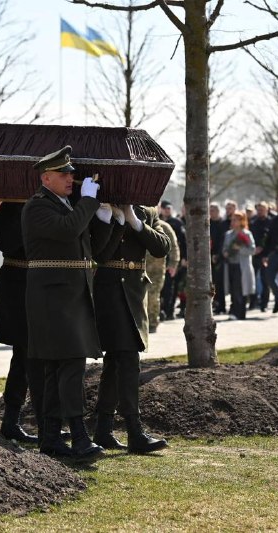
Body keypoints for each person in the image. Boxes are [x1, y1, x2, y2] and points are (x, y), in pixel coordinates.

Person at [22, 145, 104, 458]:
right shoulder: (38, 206)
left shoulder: (64, 204)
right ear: (46, 178)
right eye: (63, 174)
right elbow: (68, 231)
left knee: (59, 367)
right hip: (53, 298)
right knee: (70, 363)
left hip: (67, 295)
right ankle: (79, 436)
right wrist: (89, 202)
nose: (71, 178)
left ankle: (52, 437)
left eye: (71, 173)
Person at [91, 203, 170, 454]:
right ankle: (134, 432)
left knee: (116, 361)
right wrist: (115, 218)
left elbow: (162, 247)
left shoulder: (146, 212)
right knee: (127, 359)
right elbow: (100, 253)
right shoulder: (101, 206)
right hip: (110, 290)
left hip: (135, 292)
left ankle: (103, 430)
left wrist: (136, 222)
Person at [0, 201, 43, 443]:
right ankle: (19, 421)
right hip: (17, 286)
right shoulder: (11, 207)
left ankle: (16, 421)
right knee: (26, 357)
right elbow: (8, 242)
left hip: (39, 282)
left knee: (28, 359)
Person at [146, 215, 179, 333]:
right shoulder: (139, 223)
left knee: (153, 295)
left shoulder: (163, 226)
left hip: (157, 270)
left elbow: (174, 246)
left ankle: (152, 322)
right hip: (139, 268)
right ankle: (142, 321)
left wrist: (173, 263)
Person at [222, 211, 255, 320]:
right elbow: (224, 247)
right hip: (230, 265)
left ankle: (238, 312)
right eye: (232, 220)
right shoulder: (228, 234)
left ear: (242, 221)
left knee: (240, 289)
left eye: (235, 220)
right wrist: (225, 252)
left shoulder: (247, 234)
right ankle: (235, 311)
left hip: (242, 266)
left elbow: (252, 249)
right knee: (233, 289)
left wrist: (239, 249)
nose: (233, 222)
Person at [159, 199, 185, 319]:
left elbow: (183, 242)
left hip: (172, 259)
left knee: (170, 286)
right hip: (158, 259)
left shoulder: (177, 223)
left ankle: (169, 311)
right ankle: (159, 311)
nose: (167, 211)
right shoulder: (156, 220)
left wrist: (183, 258)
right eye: (165, 208)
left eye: (169, 208)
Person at [249, 201, 274, 311]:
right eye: (259, 210)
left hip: (266, 255)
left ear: (267, 210)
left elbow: (272, 240)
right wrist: (253, 249)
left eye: (262, 210)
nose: (260, 212)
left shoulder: (271, 222)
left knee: (265, 280)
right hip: (254, 254)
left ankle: (264, 303)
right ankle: (253, 302)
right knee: (252, 279)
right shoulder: (253, 222)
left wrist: (266, 252)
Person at [209, 203, 226, 314]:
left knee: (220, 283)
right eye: (210, 210)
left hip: (220, 256)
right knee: (212, 283)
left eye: (214, 210)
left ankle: (222, 305)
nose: (212, 212)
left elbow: (223, 241)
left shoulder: (223, 224)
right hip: (208, 256)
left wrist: (218, 255)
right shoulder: (208, 223)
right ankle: (215, 304)